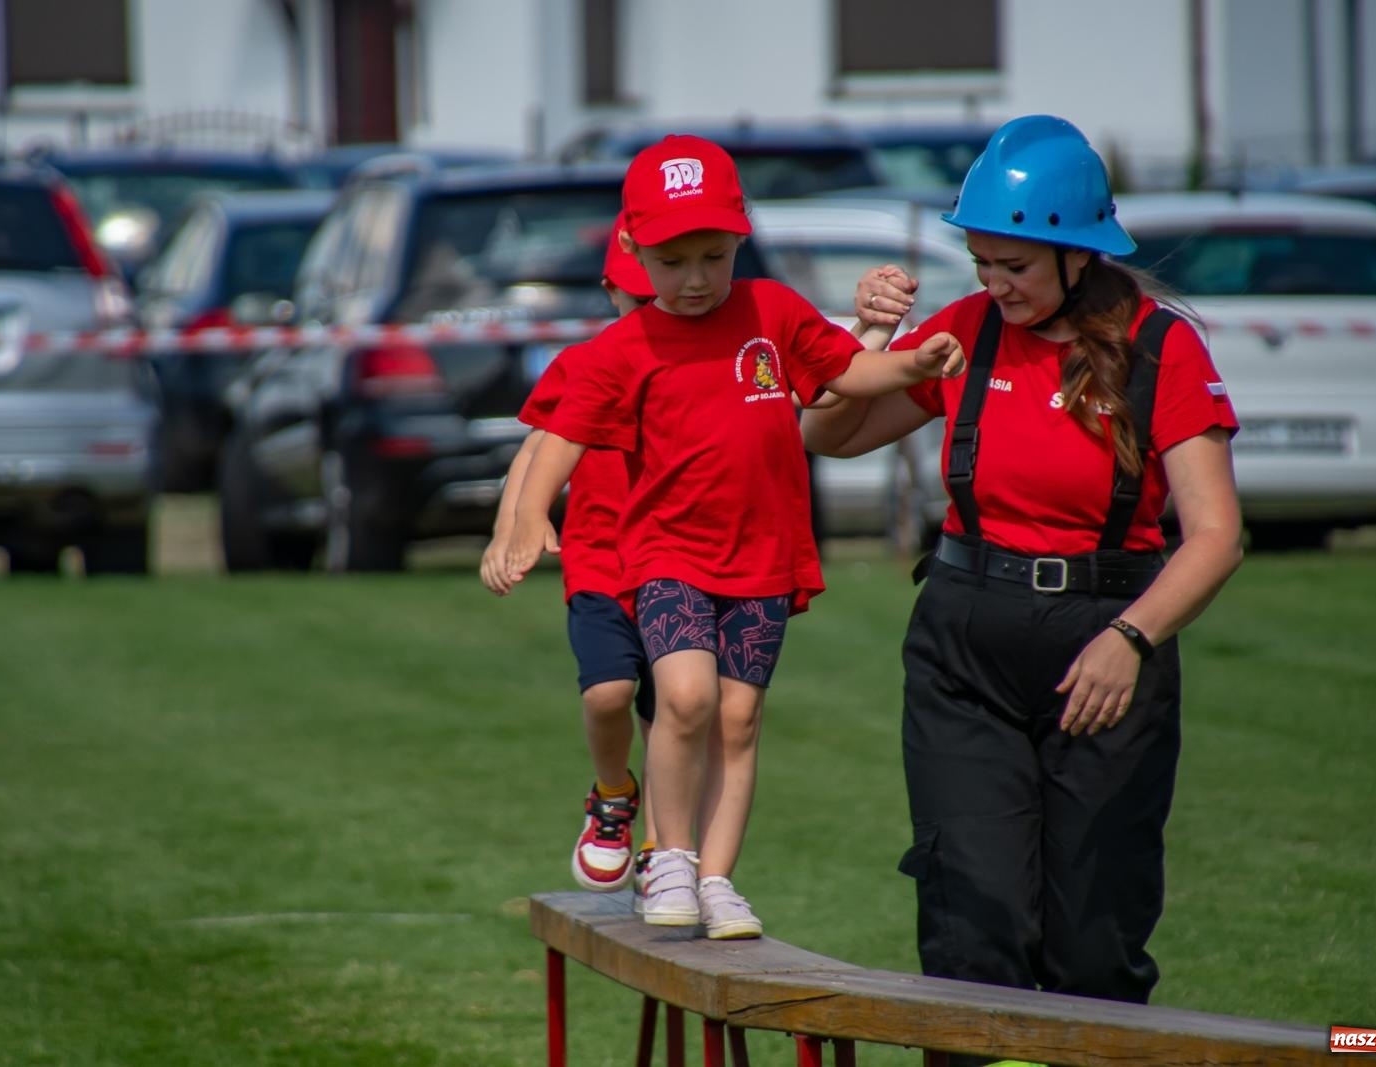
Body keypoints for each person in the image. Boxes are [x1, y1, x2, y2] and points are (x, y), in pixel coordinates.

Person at [802, 115, 1244, 1034]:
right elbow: (827, 437)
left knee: (1093, 938)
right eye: (981, 264)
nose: (995, 285)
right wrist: (865, 342)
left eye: (1016, 267)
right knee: (974, 925)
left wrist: (1130, 640)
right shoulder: (964, 333)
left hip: (1108, 651)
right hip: (966, 648)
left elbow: (1214, 536)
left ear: (1077, 254)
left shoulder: (1162, 349)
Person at [503, 134, 963, 939]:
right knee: (684, 696)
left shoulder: (772, 311)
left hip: (763, 557)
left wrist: (914, 364)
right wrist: (534, 513)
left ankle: (718, 880)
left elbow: (846, 373)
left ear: (739, 242)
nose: (694, 280)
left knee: (739, 720)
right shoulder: (623, 347)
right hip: (669, 557)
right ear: (638, 252)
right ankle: (670, 856)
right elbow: (563, 436)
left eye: (714, 257)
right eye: (673, 261)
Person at [481, 213, 660, 898]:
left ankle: (663, 842)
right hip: (604, 560)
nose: (652, 311)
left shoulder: (703, 361)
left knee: (676, 709)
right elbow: (538, 447)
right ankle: (613, 796)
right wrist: (510, 529)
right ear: (612, 292)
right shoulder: (590, 360)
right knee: (610, 691)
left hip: (682, 561)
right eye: (639, 298)